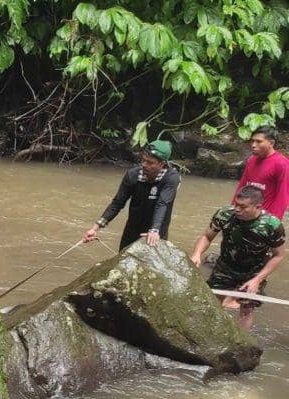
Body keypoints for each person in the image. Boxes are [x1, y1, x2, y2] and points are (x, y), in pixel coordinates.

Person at [189, 185, 286, 331]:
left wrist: (257, 280)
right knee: (213, 302)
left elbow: (278, 255)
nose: (237, 209)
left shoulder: (272, 225)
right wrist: (197, 253)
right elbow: (207, 236)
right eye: (236, 204)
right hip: (225, 267)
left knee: (246, 309)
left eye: (243, 206)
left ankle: (241, 345)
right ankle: (205, 334)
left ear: (257, 207)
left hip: (253, 272)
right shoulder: (225, 214)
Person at [82, 140, 180, 250]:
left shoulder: (171, 178)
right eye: (143, 160)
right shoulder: (132, 175)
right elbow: (117, 203)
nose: (144, 165)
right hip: (132, 229)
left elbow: (162, 204)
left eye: (150, 162)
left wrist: (154, 230)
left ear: (162, 164)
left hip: (157, 232)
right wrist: (96, 228)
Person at [232, 125, 289, 221]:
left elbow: (282, 196)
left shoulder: (282, 164)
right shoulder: (251, 160)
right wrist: (233, 208)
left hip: (264, 218)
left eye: (259, 141)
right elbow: (242, 186)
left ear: (271, 143)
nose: (253, 145)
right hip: (245, 213)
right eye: (252, 141)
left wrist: (273, 222)